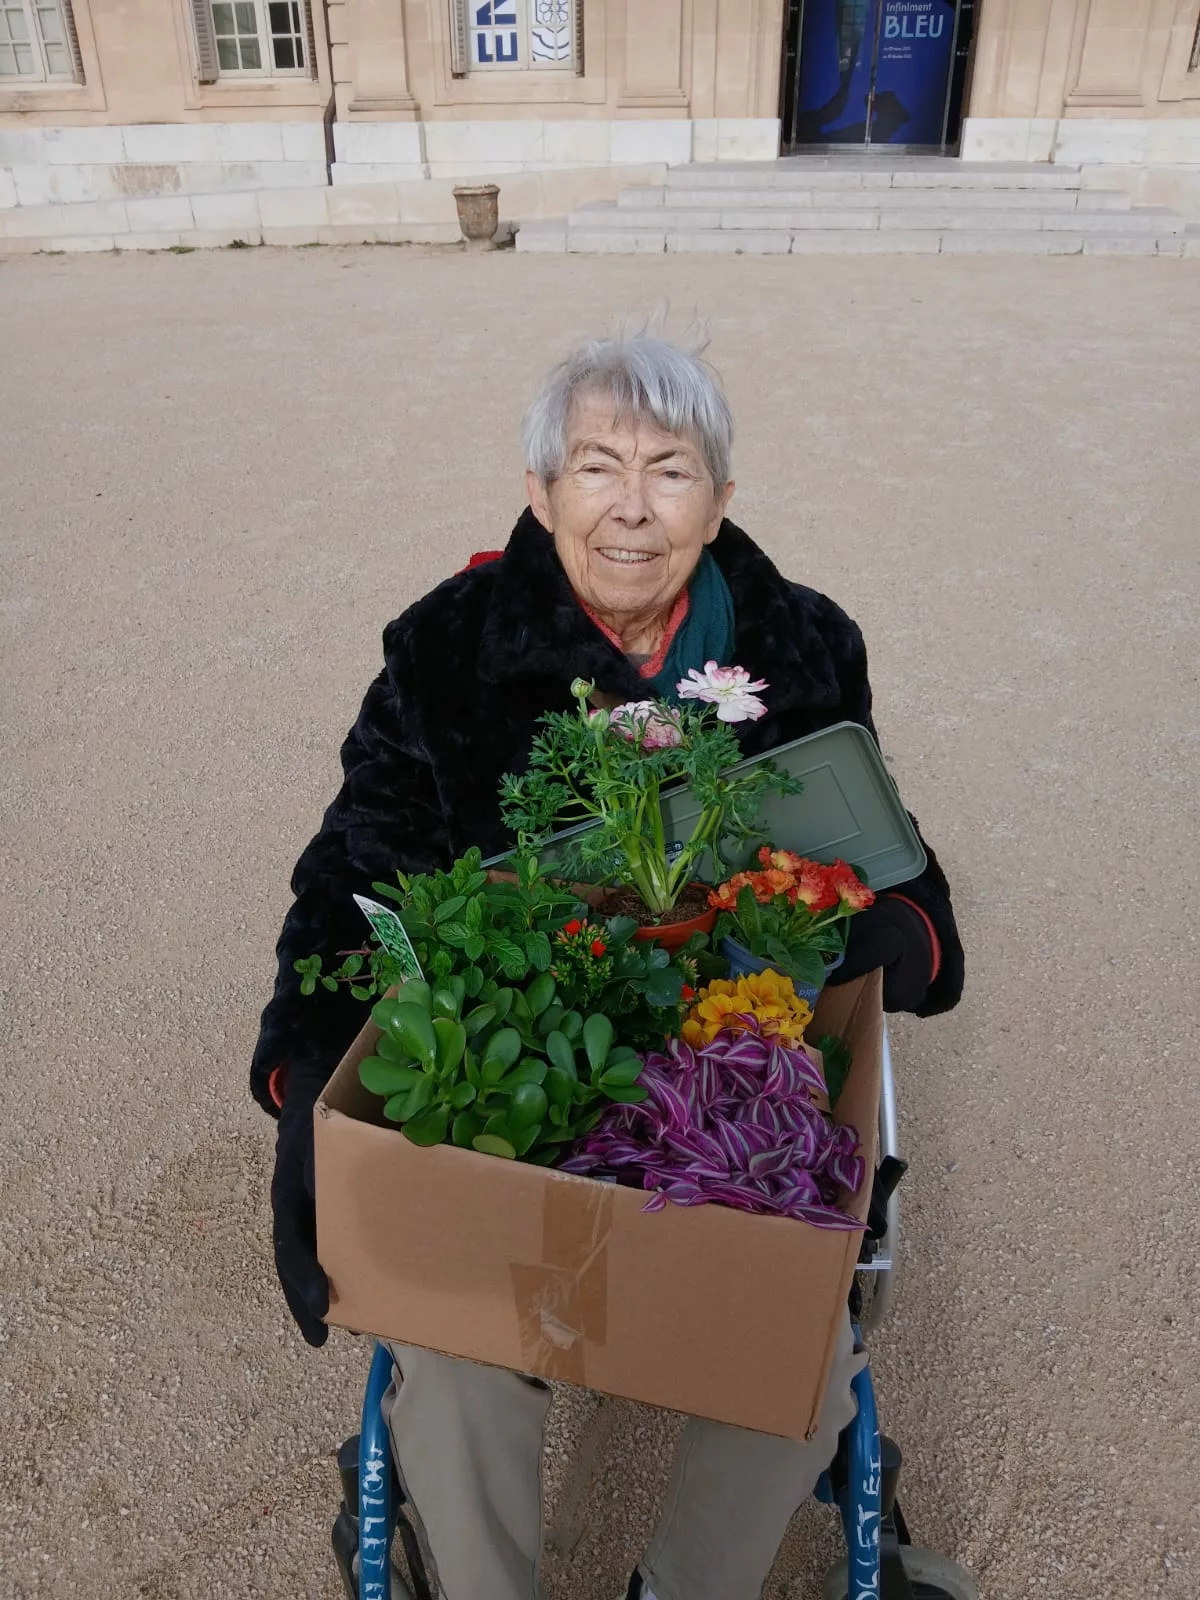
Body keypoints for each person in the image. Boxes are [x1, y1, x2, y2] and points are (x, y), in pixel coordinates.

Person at [252, 331, 964, 1600]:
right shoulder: (447, 647)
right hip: (517, 1070)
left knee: (796, 1341)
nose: (631, 506)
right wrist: (310, 1092)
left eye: (671, 470)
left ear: (721, 499)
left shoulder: (798, 647)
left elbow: (904, 880)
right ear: (540, 491)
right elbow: (351, 877)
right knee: (453, 1336)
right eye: (595, 467)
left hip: (733, 1083)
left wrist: (864, 927)